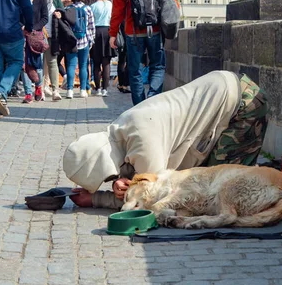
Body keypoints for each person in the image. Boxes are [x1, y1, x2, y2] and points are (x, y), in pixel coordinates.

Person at [63, 71, 268, 209]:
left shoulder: (142, 137)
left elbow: (153, 196)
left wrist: (97, 199)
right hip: (229, 85)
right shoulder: (122, 126)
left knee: (215, 193)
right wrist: (122, 182)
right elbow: (133, 166)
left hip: (243, 105)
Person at [109, 0, 177, 106]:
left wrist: (112, 34)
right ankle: (152, 103)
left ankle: (139, 107)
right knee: (158, 67)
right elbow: (172, 3)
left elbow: (117, 9)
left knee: (135, 71)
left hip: (133, 32)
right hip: (155, 31)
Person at [63, 0, 95, 100]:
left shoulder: (67, 9)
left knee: (71, 66)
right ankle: (82, 90)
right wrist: (91, 40)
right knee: (83, 66)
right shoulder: (87, 9)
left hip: (71, 41)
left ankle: (70, 90)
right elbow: (91, 27)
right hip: (84, 41)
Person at [22, 0, 48, 103]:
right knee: (24, 64)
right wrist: (21, 25)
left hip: (36, 36)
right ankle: (28, 93)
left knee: (37, 63)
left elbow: (45, 18)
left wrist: (35, 28)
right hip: (23, 34)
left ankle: (38, 87)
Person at [39, 0, 64, 100]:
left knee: (52, 62)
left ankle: (55, 90)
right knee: (39, 64)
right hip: (37, 36)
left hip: (51, 35)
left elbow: (62, 11)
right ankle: (41, 90)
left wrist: (60, 14)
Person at [90, 0, 113, 96]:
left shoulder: (93, 6)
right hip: (108, 31)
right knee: (106, 63)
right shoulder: (110, 5)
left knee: (96, 62)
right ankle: (105, 89)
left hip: (96, 32)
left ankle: (98, 88)